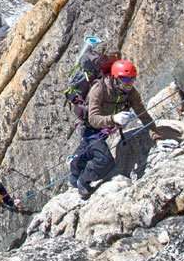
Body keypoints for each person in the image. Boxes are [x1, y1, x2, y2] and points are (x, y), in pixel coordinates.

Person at [68, 58, 167, 200]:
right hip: (91, 129)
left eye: (132, 79)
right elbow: (93, 119)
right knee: (105, 161)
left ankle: (74, 170)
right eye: (125, 80)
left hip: (105, 128)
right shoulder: (99, 89)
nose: (130, 83)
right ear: (115, 78)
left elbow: (143, 114)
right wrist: (114, 119)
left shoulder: (130, 92)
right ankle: (83, 181)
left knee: (89, 149)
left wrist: (157, 138)